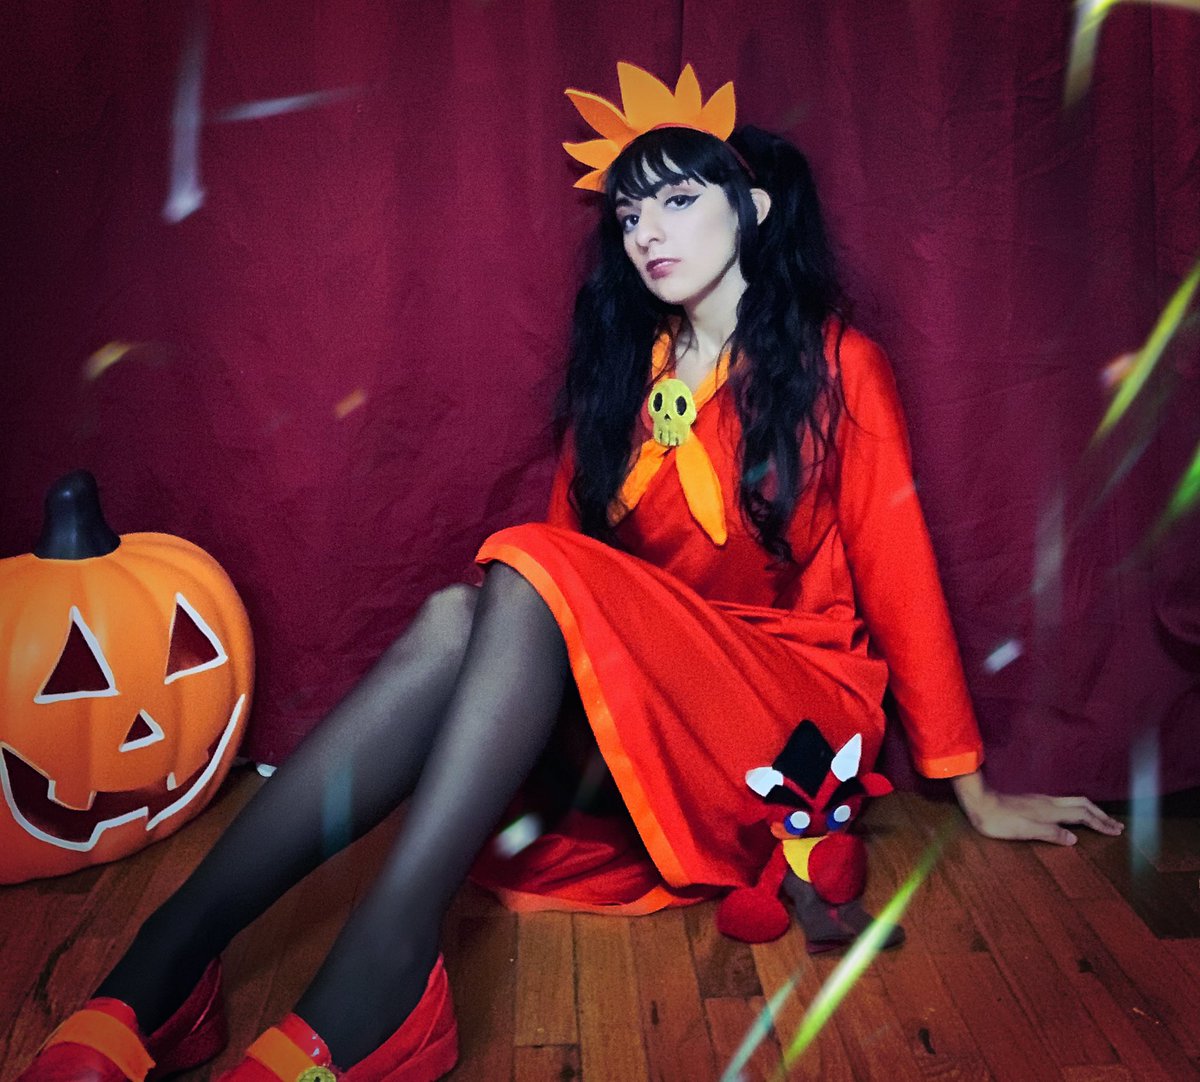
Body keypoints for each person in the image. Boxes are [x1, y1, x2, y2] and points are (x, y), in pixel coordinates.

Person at [19, 62, 1123, 1082]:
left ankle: (355, 971)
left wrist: (971, 786)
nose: (648, 233)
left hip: (785, 706)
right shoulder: (626, 369)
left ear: (754, 207)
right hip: (649, 704)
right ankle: (176, 961)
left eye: (678, 199)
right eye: (630, 215)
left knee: (523, 568)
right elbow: (557, 589)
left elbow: (901, 575)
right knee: (463, 614)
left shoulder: (841, 364)